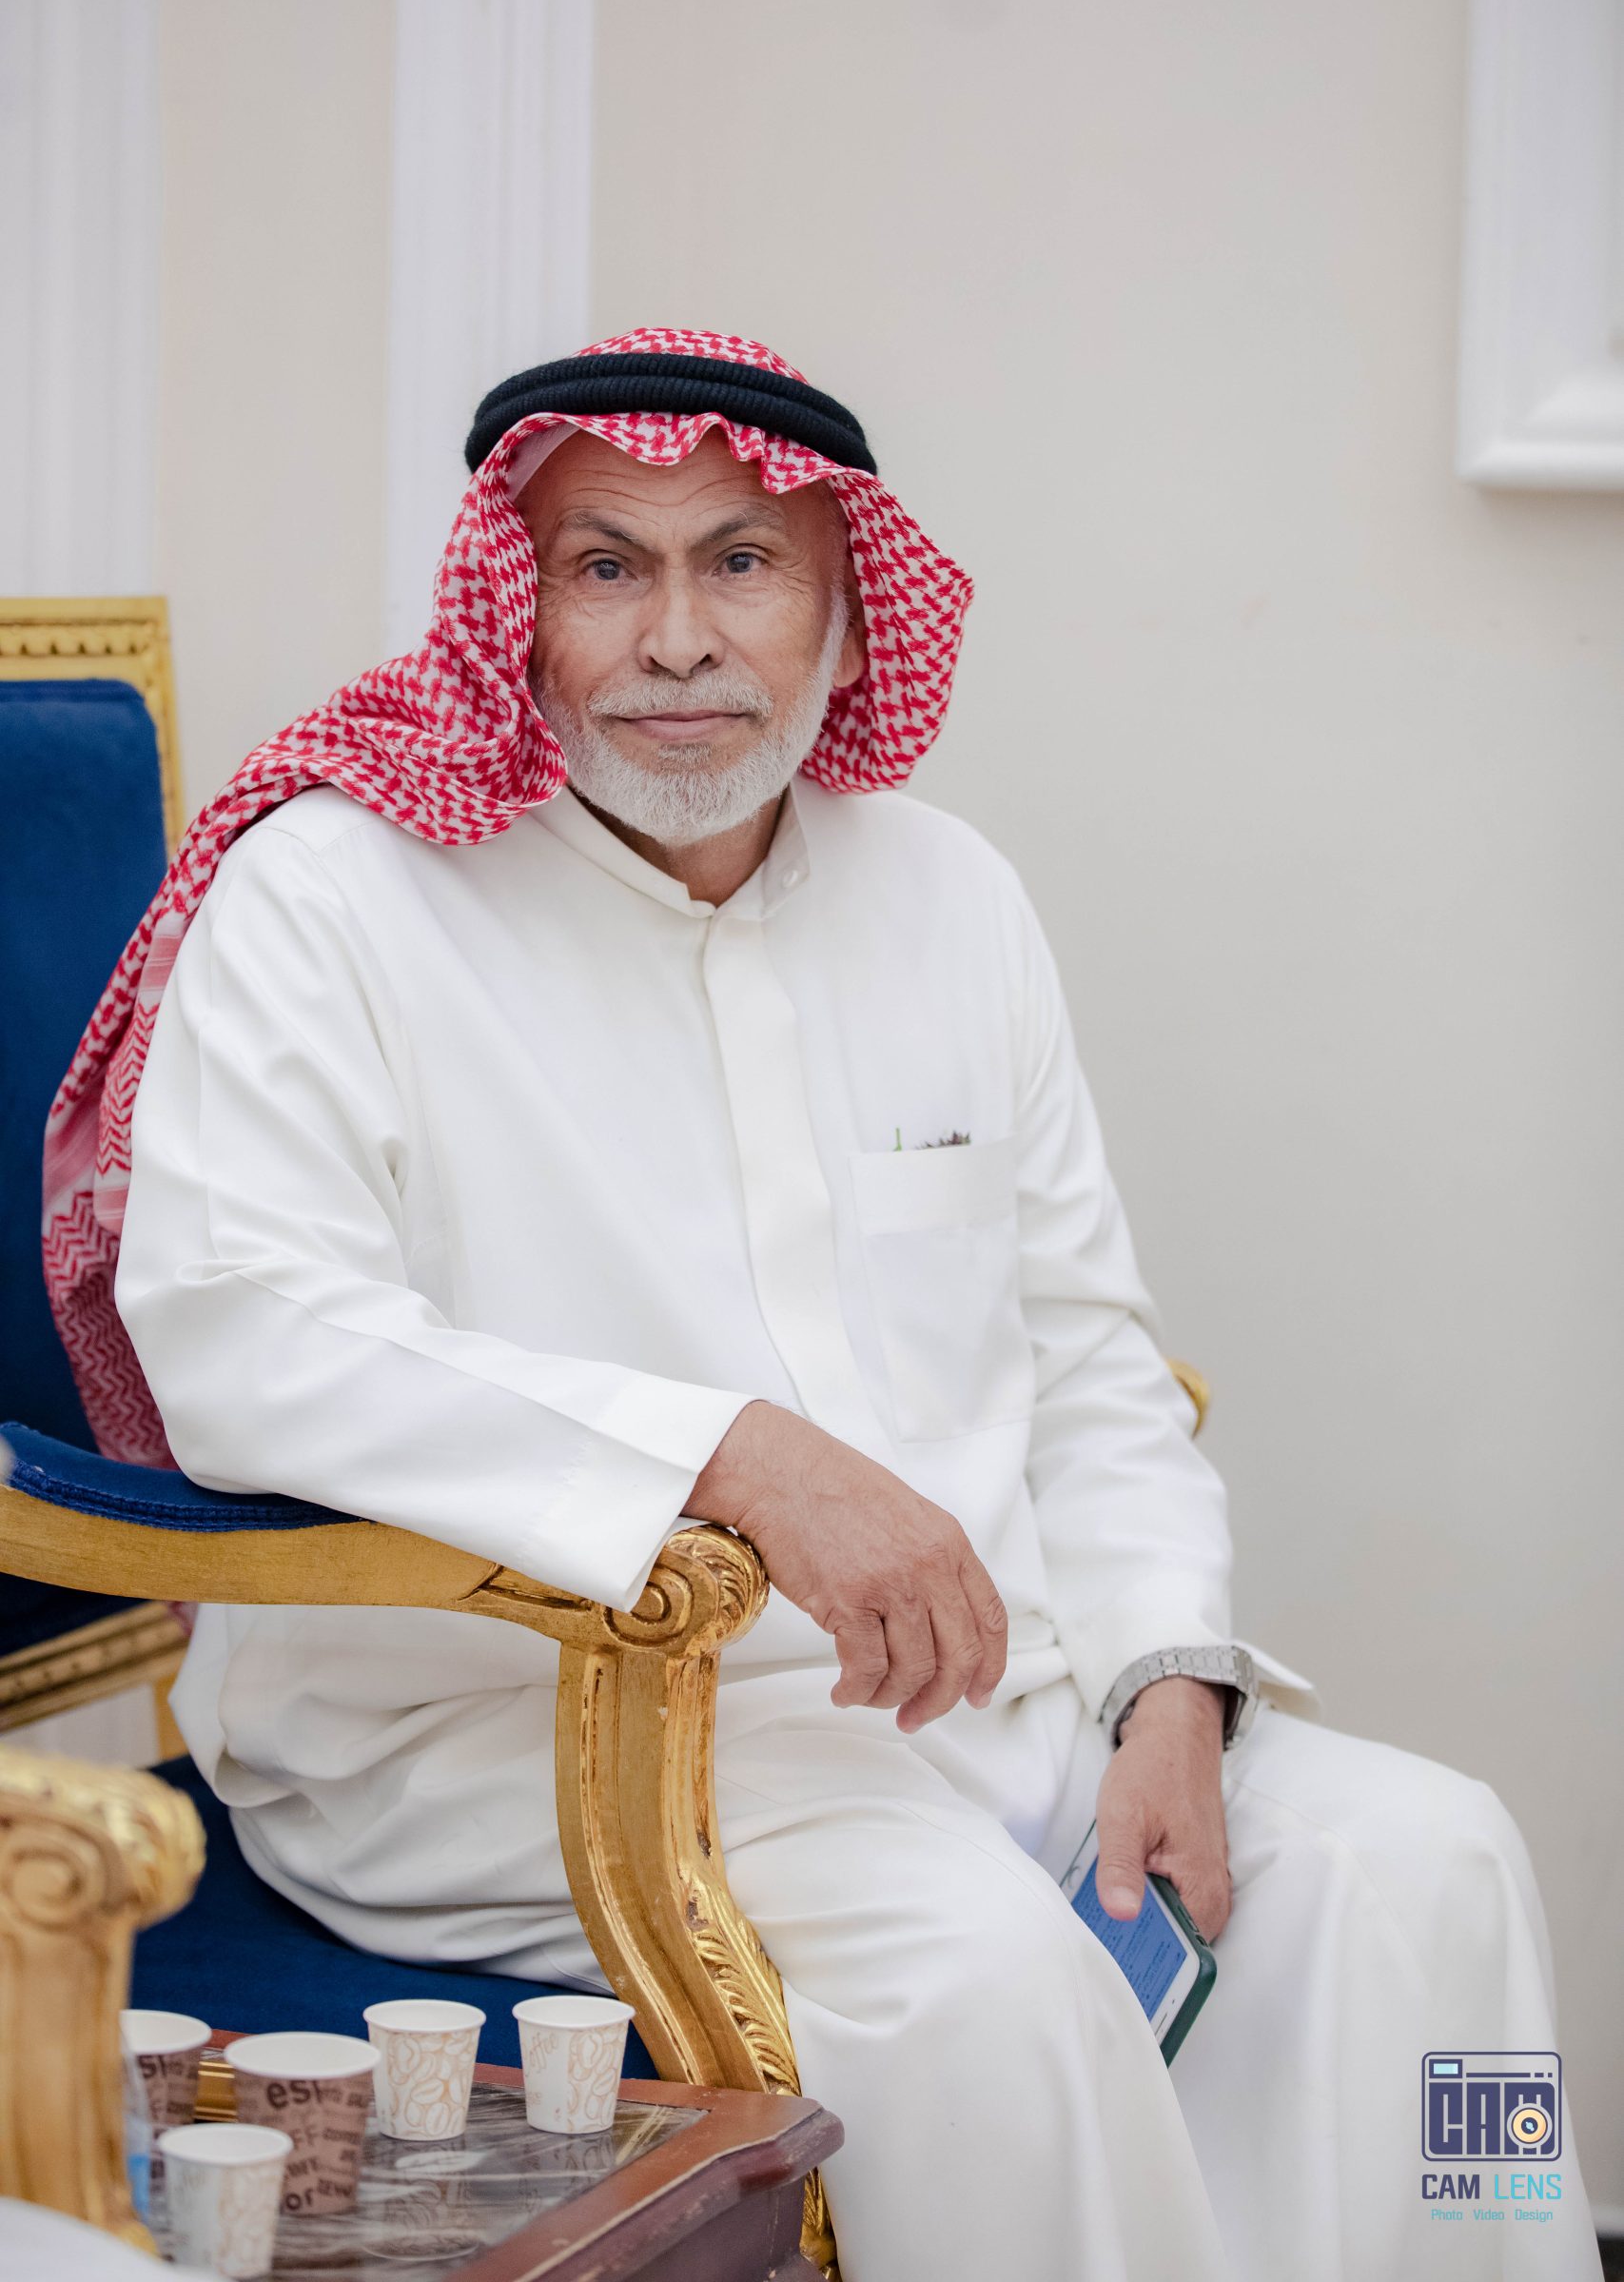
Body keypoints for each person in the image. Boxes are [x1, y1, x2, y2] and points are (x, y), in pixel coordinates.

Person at [49, 330, 1599, 2280]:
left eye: (741, 563)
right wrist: (735, 1458)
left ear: (848, 611)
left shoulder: (949, 894)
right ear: (514, 608)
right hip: (525, 1734)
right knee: (985, 1987)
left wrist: (1168, 1683)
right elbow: (244, 1330)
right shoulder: (334, 897)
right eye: (605, 565)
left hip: (1005, 1701)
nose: (677, 636)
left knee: (1433, 1859)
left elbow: (1086, 1356)